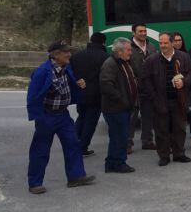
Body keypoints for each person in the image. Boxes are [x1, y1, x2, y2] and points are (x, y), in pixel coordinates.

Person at [26, 41, 95, 194]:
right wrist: (38, 116)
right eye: (66, 52)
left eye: (69, 51)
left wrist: (79, 85)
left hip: (63, 115)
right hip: (47, 116)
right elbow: (32, 96)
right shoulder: (42, 72)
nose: (69, 55)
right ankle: (35, 183)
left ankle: (76, 177)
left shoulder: (66, 68)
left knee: (73, 144)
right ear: (55, 55)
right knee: (41, 150)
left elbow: (70, 85)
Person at [141, 32, 191, 166]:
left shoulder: (183, 57)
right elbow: (145, 80)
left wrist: (184, 81)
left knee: (180, 128)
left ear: (172, 43)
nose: (163, 45)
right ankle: (164, 156)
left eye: (165, 43)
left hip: (179, 100)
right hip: (160, 101)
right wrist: (153, 97)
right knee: (161, 130)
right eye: (161, 43)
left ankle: (179, 153)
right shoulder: (151, 60)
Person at [99, 38, 138, 173]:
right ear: (119, 51)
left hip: (123, 107)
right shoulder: (110, 64)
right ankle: (119, 163)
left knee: (118, 136)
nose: (130, 52)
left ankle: (111, 162)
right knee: (120, 137)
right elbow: (106, 86)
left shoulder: (123, 63)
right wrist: (122, 100)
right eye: (128, 50)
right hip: (115, 109)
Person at [70, 32, 109, 157]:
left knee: (81, 117)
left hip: (80, 92)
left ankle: (72, 143)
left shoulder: (77, 55)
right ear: (103, 42)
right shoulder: (104, 56)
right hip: (96, 94)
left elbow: (71, 73)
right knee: (91, 121)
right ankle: (83, 146)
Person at [129, 23, 157, 153]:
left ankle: (147, 141)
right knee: (131, 117)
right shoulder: (128, 47)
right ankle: (127, 143)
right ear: (133, 32)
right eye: (140, 31)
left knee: (148, 116)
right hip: (133, 88)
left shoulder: (151, 46)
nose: (143, 33)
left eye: (145, 31)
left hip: (148, 87)